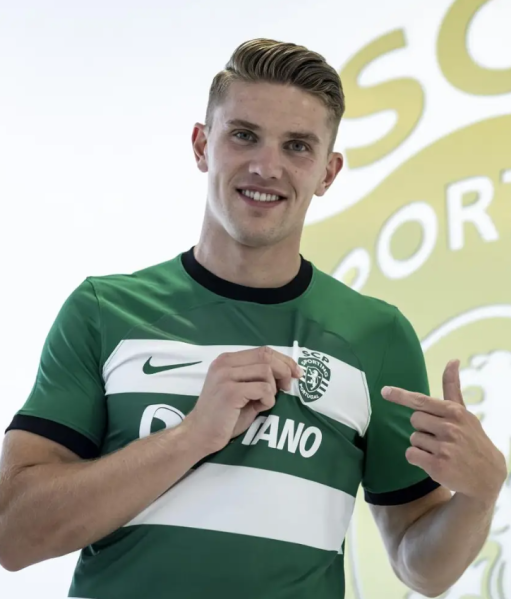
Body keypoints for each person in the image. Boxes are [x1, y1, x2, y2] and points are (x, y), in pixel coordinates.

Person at [0, 38, 506, 599]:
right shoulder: (102, 311)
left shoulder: (377, 336)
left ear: (328, 172)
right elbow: (13, 535)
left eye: (297, 146)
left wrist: (479, 496)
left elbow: (422, 567)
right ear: (202, 145)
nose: (267, 167)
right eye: (244, 135)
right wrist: (193, 435)